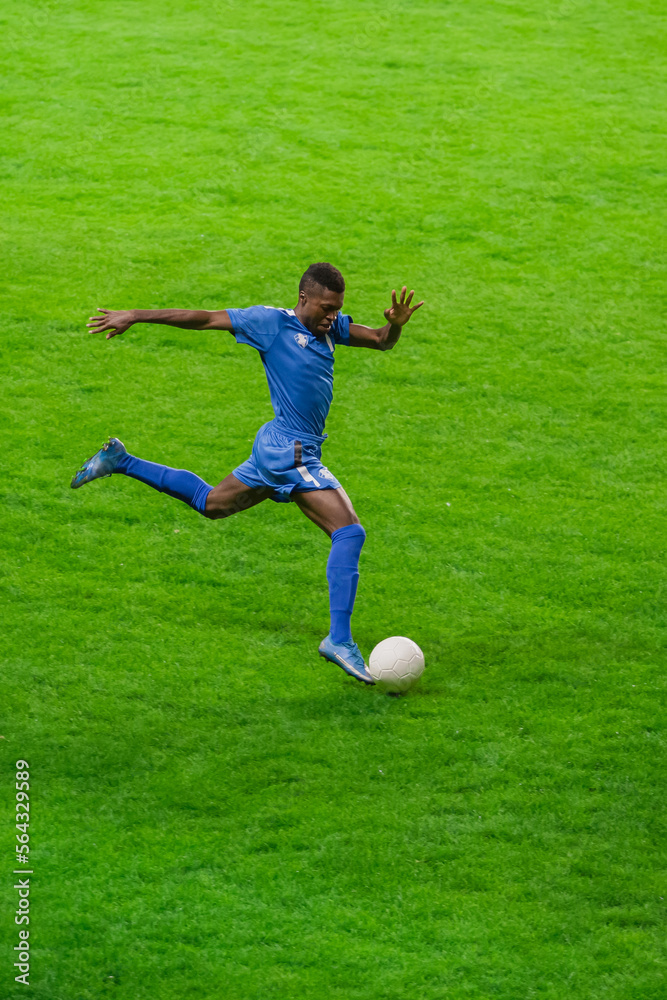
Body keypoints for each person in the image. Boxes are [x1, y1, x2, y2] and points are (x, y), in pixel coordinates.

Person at [72, 262, 423, 685]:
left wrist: (396, 326)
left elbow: (382, 342)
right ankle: (339, 639)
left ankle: (121, 461)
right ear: (304, 299)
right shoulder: (269, 324)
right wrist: (136, 315)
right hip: (290, 452)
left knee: (211, 504)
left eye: (338, 308)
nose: (332, 316)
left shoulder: (331, 329)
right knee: (349, 533)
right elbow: (204, 319)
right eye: (326, 307)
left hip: (279, 446)